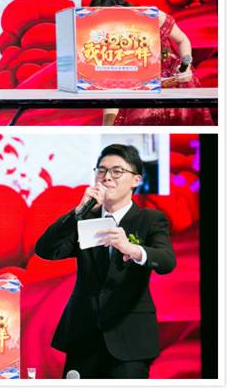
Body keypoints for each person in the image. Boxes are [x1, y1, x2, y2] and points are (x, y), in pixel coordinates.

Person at [35, 143, 175, 379]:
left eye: (117, 171)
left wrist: (132, 249)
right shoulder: (85, 219)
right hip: (83, 337)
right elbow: (46, 250)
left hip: (129, 340)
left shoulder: (149, 219)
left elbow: (166, 261)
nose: (107, 177)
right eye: (101, 171)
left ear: (136, 180)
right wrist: (78, 211)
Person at [89, 0, 213, 125]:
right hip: (142, 90)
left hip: (176, 81)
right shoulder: (104, 39)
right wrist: (107, 124)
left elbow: (182, 40)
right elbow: (111, 86)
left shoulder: (153, 17)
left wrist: (186, 67)